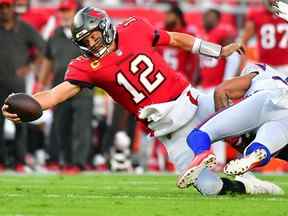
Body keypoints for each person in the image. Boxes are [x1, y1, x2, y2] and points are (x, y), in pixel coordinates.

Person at [3, 6, 281, 196]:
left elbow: (177, 39)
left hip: (194, 103)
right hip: (170, 133)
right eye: (85, 41)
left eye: (95, 36)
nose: (93, 44)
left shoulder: (135, 28)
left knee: (254, 120)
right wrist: (32, 106)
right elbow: (55, 94)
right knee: (210, 189)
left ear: (105, 27)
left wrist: (218, 51)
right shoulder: (85, 67)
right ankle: (251, 186)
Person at [185, 63, 288, 178]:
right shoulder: (280, 79)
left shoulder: (259, 73)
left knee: (199, 134)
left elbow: (221, 90)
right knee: (261, 148)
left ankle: (202, 153)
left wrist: (230, 135)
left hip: (265, 100)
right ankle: (257, 152)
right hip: (284, 117)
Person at [35, 0, 93, 172]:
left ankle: (79, 163)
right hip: (59, 89)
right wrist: (41, 84)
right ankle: (67, 161)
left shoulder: (86, 32)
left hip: (82, 89)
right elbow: (48, 60)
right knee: (62, 127)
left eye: (67, 10)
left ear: (75, 11)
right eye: (62, 10)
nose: (64, 14)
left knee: (81, 128)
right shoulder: (55, 34)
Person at [0, 0, 44, 171]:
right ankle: (2, 161)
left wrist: (30, 66)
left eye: (7, 7)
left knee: (20, 122)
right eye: (1, 7)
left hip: (17, 85)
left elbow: (43, 48)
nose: (4, 10)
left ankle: (20, 161)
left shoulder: (25, 28)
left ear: (13, 8)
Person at [197, 8, 241, 169]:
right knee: (207, 124)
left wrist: (227, 82)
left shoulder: (222, 32)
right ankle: (210, 158)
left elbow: (235, 55)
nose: (205, 18)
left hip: (217, 87)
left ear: (217, 19)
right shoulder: (203, 35)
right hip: (206, 87)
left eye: (210, 16)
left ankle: (221, 160)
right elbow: (200, 64)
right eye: (205, 15)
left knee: (220, 124)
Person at [241, 0, 288, 72]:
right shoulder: (256, 15)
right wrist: (242, 62)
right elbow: (244, 41)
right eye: (270, 2)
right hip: (264, 65)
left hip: (285, 65)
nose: (273, 5)